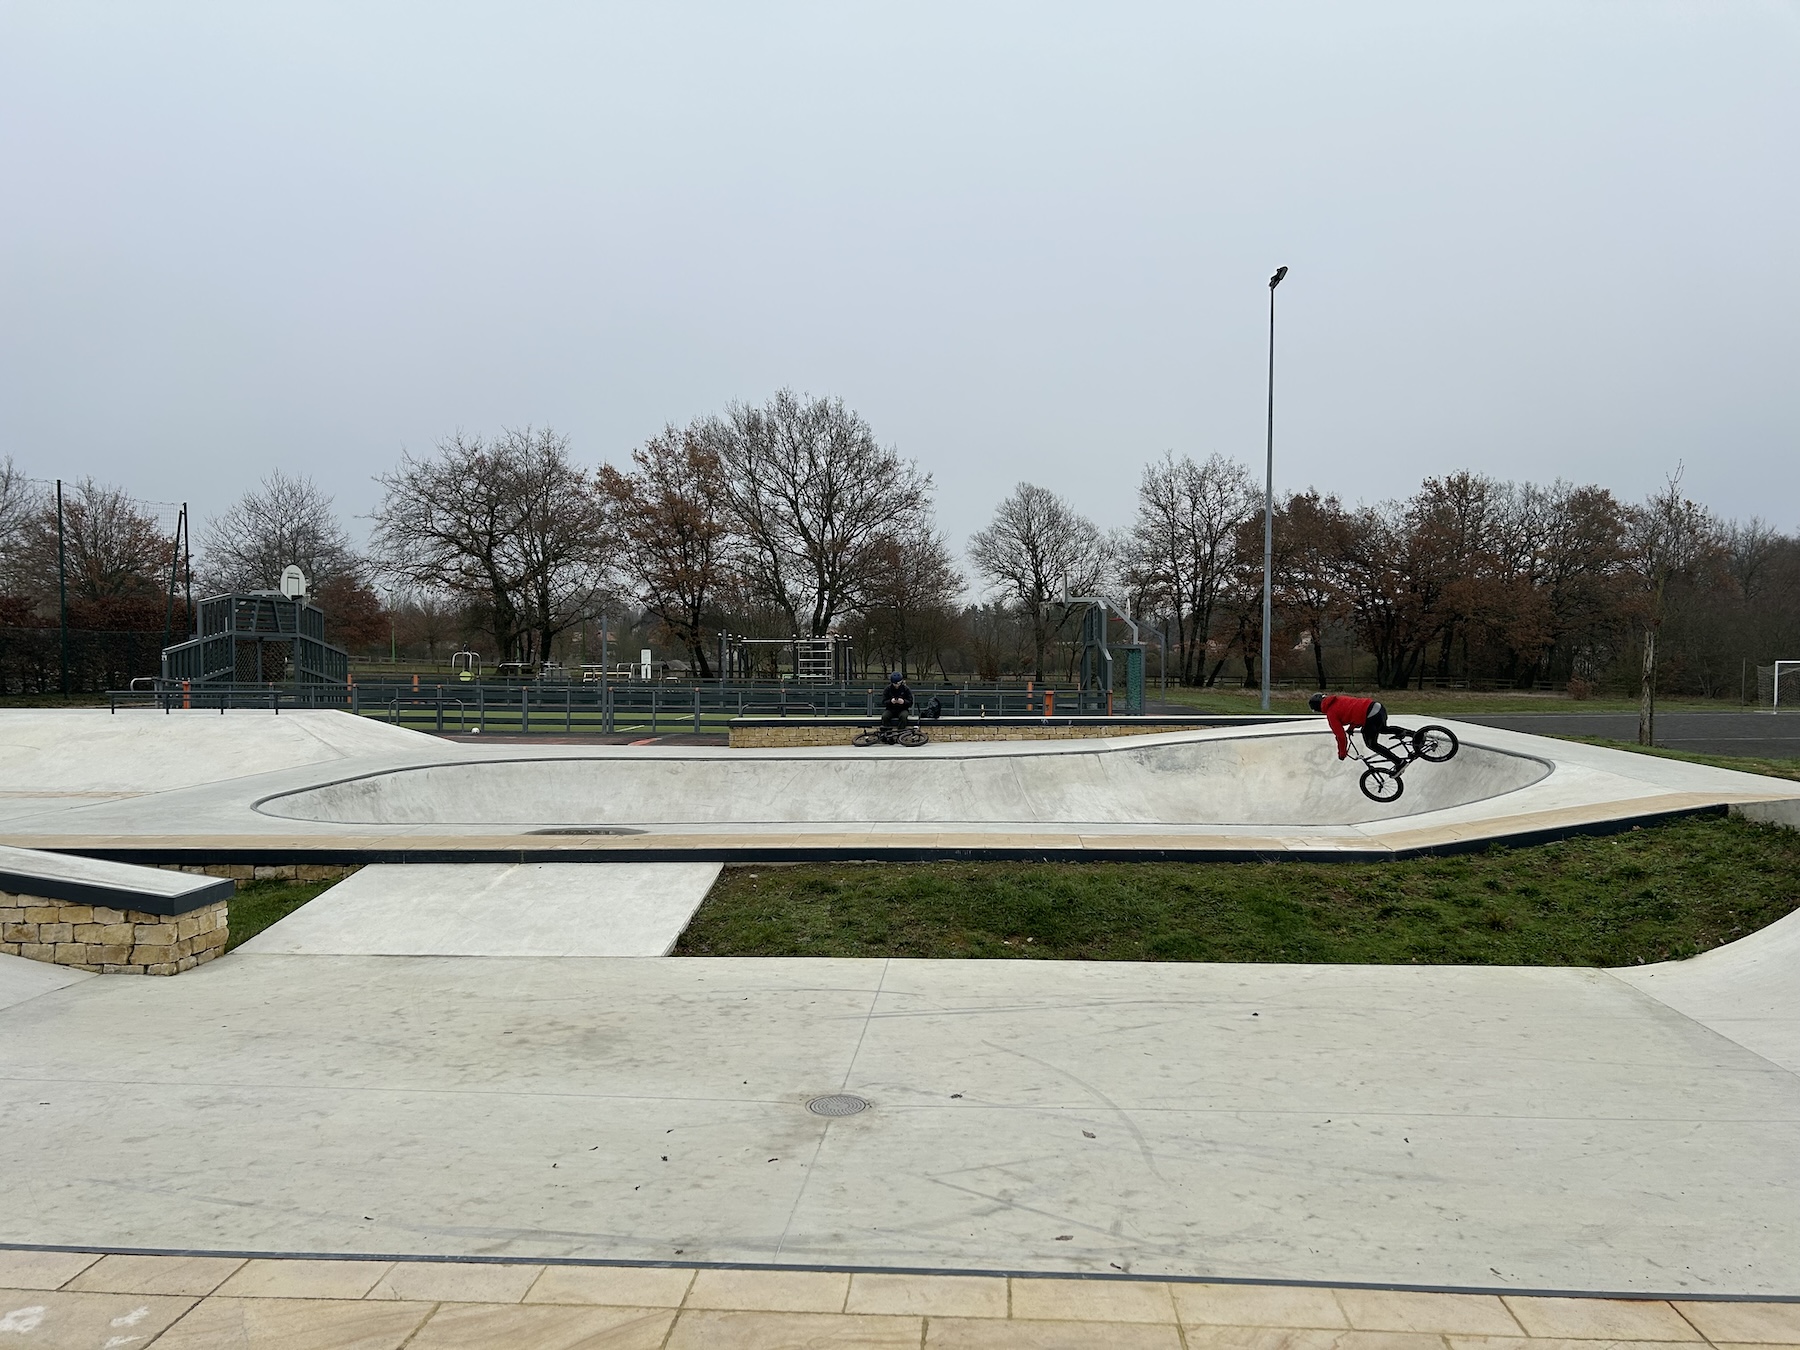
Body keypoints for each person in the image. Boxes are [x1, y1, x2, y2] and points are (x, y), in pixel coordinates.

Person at [1309, 691, 1410, 769]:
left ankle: (1399, 762)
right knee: (1383, 729)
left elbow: (1340, 736)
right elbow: (1355, 709)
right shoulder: (1338, 698)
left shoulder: (1331, 714)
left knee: (1371, 744)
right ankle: (1416, 735)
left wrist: (1342, 753)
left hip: (1370, 715)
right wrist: (1351, 728)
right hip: (1378, 707)